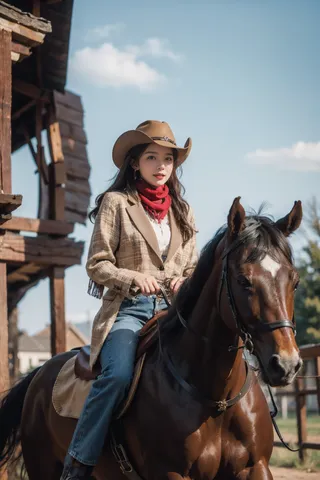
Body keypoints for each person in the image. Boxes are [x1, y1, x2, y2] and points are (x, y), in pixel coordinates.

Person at [61, 120, 198, 479]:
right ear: (135, 163)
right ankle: (78, 461)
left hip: (175, 314)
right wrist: (134, 278)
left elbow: (194, 266)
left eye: (168, 159)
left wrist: (186, 280)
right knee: (118, 375)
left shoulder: (184, 212)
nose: (161, 166)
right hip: (129, 311)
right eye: (152, 157)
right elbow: (97, 264)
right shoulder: (116, 203)